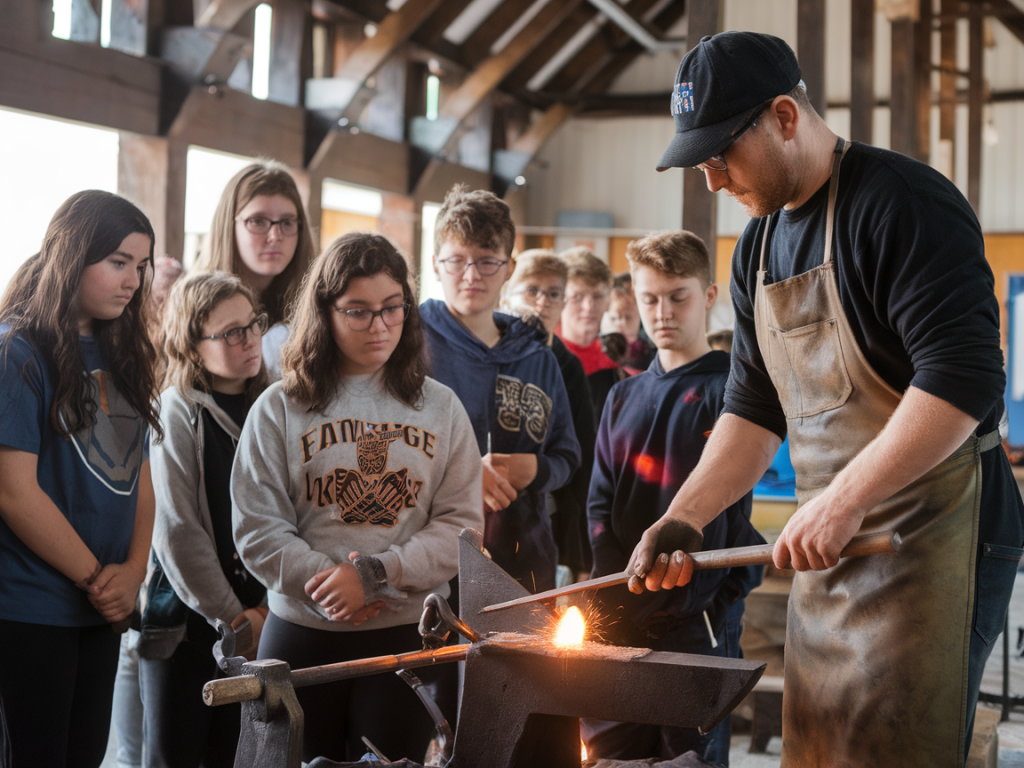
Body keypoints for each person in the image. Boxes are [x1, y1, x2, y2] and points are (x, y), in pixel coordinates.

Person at [629, 31, 1024, 766]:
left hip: (930, 532)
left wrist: (843, 501)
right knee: (821, 743)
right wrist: (684, 516)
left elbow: (962, 381)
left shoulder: (902, 204)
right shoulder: (757, 246)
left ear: (784, 116)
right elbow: (751, 409)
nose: (712, 182)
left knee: (895, 748)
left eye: (721, 157)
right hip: (831, 544)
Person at [232, 232, 483, 762]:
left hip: (405, 634)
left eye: (393, 309)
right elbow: (258, 527)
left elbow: (461, 529)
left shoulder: (440, 406)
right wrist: (329, 585)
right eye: (359, 312)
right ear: (324, 313)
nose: (380, 326)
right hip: (301, 630)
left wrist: (374, 575)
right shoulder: (280, 406)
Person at [583, 231, 763, 765]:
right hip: (621, 615)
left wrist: (710, 598)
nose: (663, 312)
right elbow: (599, 506)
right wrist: (615, 596)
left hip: (697, 620)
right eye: (649, 299)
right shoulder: (622, 396)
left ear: (709, 295)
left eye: (678, 296)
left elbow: (731, 507)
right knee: (611, 753)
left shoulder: (734, 392)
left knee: (690, 757)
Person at [0, 191, 161, 768]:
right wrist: (99, 578)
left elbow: (141, 473)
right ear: (72, 256)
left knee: (86, 757)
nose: (134, 281)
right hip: (32, 604)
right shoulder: (18, 350)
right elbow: (13, 492)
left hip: (105, 605)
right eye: (119, 262)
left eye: (141, 267)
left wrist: (136, 572)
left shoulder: (124, 350)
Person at [420, 186, 580, 595]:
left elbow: (567, 456)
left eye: (487, 262)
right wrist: (466, 475)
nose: (471, 275)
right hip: (431, 563)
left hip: (524, 560)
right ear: (436, 265)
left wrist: (536, 469)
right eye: (456, 261)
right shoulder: (408, 346)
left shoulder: (538, 356)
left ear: (509, 268)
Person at [140, 271, 271, 767]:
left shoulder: (275, 402)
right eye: (230, 333)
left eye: (253, 324)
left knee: (236, 755)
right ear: (192, 345)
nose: (250, 340)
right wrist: (234, 617)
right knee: (175, 756)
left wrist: (268, 610)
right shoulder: (178, 409)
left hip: (265, 617)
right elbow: (177, 530)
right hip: (190, 627)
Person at [502, 248, 595, 580]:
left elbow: (580, 461)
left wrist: (580, 558)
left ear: (563, 302)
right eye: (532, 290)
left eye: (553, 293)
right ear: (507, 293)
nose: (541, 302)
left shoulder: (568, 367)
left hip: (546, 518)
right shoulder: (487, 354)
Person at [194, 160, 316, 380]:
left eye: (287, 223)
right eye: (258, 221)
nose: (275, 236)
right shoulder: (193, 305)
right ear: (229, 226)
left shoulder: (313, 306)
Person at [556, 247, 628, 424]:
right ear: (559, 298)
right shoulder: (545, 356)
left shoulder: (620, 360)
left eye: (597, 296)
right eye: (577, 297)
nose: (589, 307)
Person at [601, 272, 655, 374]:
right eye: (614, 318)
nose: (622, 324)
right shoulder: (601, 349)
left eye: (628, 317)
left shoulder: (650, 351)